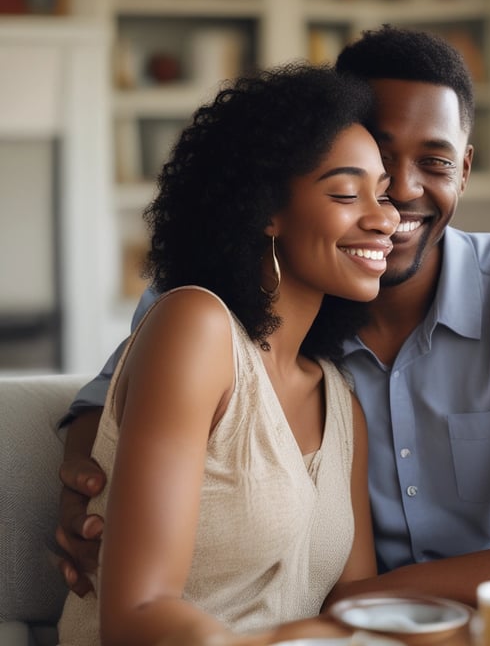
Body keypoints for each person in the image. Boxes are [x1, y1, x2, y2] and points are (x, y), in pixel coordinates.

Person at [57, 26, 490, 611]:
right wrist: (86, 493)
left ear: (465, 170)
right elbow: (114, 403)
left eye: (435, 161)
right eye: (368, 166)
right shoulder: (215, 295)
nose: (397, 194)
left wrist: (361, 604)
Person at [56, 62, 400, 646]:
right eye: (346, 192)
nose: (385, 218)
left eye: (384, 194)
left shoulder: (342, 401)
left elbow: (350, 607)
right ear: (264, 209)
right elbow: (136, 616)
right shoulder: (196, 329)